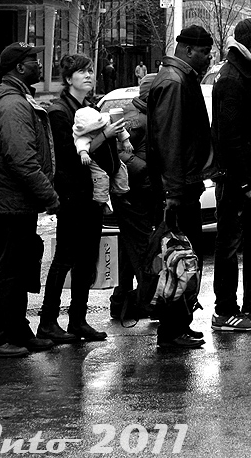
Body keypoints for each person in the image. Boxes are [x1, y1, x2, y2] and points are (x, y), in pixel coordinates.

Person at [0, 42, 60, 359]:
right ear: (20, 68)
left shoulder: (17, 99)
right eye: (34, 60)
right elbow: (22, 160)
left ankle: (16, 330)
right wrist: (49, 195)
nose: (39, 64)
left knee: (20, 265)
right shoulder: (12, 106)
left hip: (15, 199)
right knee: (9, 269)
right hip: (12, 200)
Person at [38, 54, 117, 345]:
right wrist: (104, 135)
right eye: (81, 72)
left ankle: (78, 320)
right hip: (72, 194)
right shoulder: (60, 112)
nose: (88, 75)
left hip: (93, 195)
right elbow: (69, 158)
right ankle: (47, 321)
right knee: (65, 258)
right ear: (68, 78)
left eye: (90, 70)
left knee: (87, 259)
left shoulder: (88, 108)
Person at [145, 24, 215, 350]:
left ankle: (178, 326)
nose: (209, 58)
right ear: (188, 50)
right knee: (180, 259)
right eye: (205, 52)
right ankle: (173, 330)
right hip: (178, 190)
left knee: (183, 258)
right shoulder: (174, 83)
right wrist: (173, 192)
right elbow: (169, 140)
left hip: (183, 186)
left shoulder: (179, 78)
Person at [210, 18, 251, 333]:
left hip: (245, 177)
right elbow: (229, 139)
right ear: (250, 44)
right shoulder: (231, 79)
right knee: (231, 243)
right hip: (235, 179)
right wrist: (246, 183)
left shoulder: (243, 76)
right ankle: (224, 310)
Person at [109, 73, 160, 326]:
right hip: (134, 195)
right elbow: (116, 151)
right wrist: (144, 169)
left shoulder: (146, 117)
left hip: (139, 194)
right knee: (141, 249)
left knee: (132, 249)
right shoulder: (136, 121)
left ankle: (122, 302)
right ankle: (147, 301)